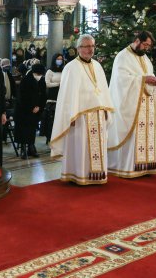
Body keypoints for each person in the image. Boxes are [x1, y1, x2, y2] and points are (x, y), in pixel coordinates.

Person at [50, 34, 114, 185]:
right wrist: (69, 116)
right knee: (80, 146)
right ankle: (78, 175)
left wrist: (106, 108)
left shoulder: (97, 66)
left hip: (98, 114)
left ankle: (97, 175)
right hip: (79, 116)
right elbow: (67, 95)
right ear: (79, 48)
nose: (90, 49)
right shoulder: (71, 67)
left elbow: (103, 90)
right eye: (86, 46)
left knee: (96, 145)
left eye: (92, 46)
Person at [107, 31, 156, 177]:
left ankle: (145, 166)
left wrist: (155, 81)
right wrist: (144, 80)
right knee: (132, 135)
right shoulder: (122, 56)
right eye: (145, 44)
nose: (146, 48)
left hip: (145, 105)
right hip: (130, 105)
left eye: (148, 46)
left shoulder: (145, 58)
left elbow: (148, 76)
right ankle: (129, 167)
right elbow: (121, 80)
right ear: (137, 40)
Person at [14, 63, 46, 159]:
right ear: (33, 73)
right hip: (23, 110)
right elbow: (21, 97)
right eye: (38, 74)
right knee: (23, 129)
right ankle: (23, 148)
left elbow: (43, 95)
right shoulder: (26, 80)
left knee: (32, 129)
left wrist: (39, 107)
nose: (39, 76)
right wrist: (31, 107)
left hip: (36, 110)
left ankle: (31, 147)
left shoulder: (41, 81)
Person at [42, 53, 65, 144]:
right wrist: (58, 84)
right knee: (51, 119)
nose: (60, 60)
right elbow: (47, 83)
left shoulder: (64, 70)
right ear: (54, 60)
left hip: (62, 95)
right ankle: (49, 137)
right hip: (52, 96)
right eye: (58, 59)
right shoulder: (50, 71)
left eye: (61, 59)